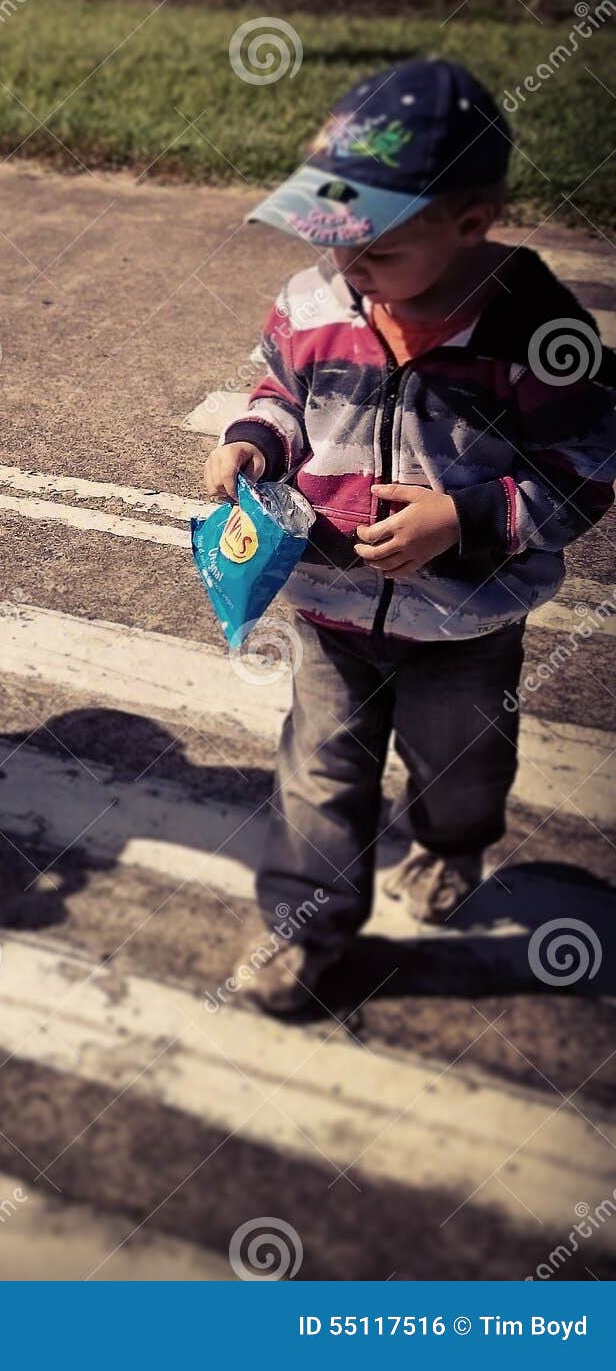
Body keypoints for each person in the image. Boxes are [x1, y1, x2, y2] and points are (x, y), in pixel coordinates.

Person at [204, 58, 616, 1015]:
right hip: (329, 605)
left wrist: (466, 517)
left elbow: (589, 468)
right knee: (317, 776)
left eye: (376, 247)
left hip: (466, 624)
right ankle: (301, 928)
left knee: (462, 764)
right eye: (331, 235)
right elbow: (279, 393)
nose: (348, 266)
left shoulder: (535, 327)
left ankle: (454, 839)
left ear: (471, 221)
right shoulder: (314, 304)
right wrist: (253, 441)